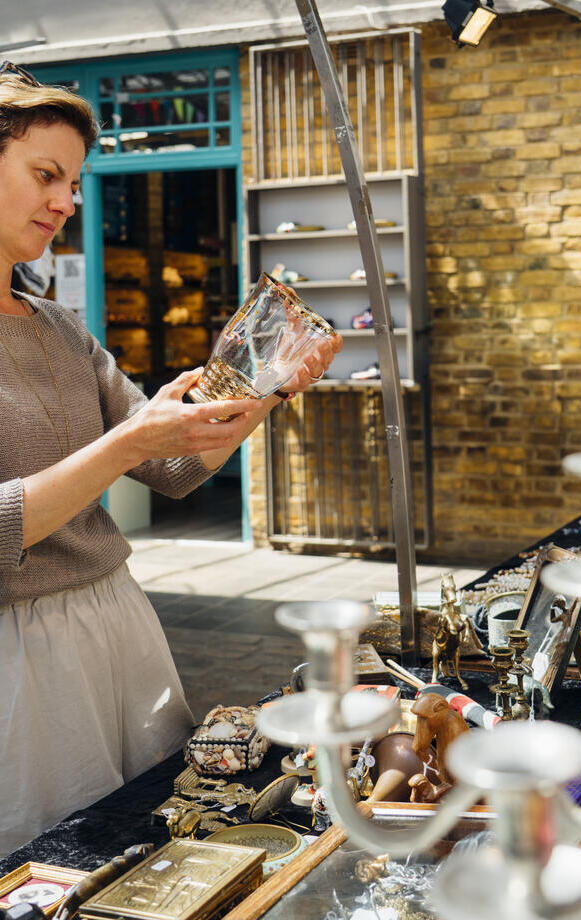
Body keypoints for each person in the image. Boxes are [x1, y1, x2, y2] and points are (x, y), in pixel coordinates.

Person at [0, 63, 342, 856]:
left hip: (115, 627)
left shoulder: (59, 329)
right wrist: (127, 441)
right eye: (45, 174)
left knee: (141, 848)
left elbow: (177, 469)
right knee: (46, 867)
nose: (65, 202)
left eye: (74, 183)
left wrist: (269, 387)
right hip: (19, 666)